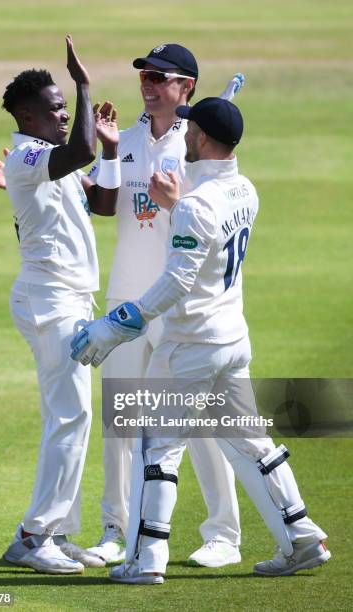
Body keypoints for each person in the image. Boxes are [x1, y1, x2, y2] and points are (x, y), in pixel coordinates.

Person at [0, 43, 244, 570]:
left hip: (174, 304)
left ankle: (221, 533)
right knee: (102, 419)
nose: (147, 83)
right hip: (102, 301)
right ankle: (83, 532)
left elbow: (112, 201)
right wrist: (93, 132)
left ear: (186, 87)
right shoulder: (85, 147)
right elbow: (85, 181)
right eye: (144, 74)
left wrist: (104, 160)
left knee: (190, 422)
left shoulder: (196, 146)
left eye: (159, 76)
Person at [71, 97, 331, 584]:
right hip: (233, 339)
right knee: (255, 443)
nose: (184, 136)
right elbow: (205, 241)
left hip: (191, 346)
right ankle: (302, 538)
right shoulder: (245, 190)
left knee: (159, 449)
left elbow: (177, 282)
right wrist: (176, 208)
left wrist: (118, 322)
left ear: (204, 140)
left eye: (191, 131)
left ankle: (145, 561)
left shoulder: (195, 204)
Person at [0, 35, 121, 574]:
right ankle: (33, 535)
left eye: (66, 108)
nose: (65, 115)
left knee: (69, 417)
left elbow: (106, 202)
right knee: (72, 417)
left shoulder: (53, 160)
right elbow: (81, 151)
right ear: (27, 115)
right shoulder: (27, 154)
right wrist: (85, 83)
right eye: (55, 109)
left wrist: (114, 150)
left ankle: (54, 530)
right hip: (51, 301)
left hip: (68, 297)